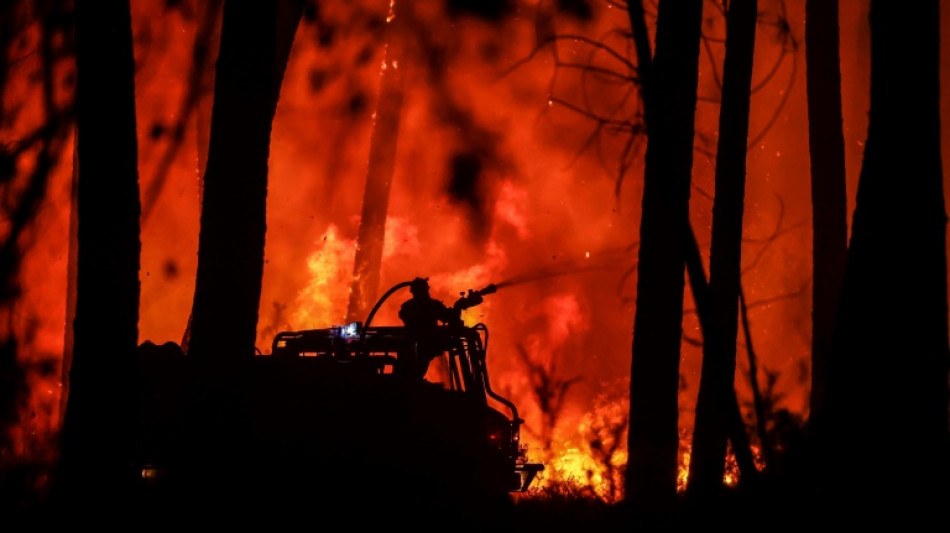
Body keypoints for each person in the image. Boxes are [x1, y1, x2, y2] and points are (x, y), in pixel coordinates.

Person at [398, 277, 457, 378]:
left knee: (410, 372)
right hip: (425, 344)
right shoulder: (432, 306)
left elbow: (446, 316)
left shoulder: (408, 307)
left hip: (414, 345)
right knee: (413, 372)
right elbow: (446, 316)